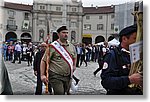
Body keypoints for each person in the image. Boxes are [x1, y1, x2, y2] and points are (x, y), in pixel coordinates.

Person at [101, 24, 143, 95]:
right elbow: (106, 82)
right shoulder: (112, 55)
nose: (138, 42)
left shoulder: (139, 54)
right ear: (124, 39)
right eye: (135, 38)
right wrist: (129, 80)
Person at [40, 25, 77, 95]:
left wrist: (74, 65)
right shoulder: (52, 46)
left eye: (67, 33)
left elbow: (74, 56)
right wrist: (42, 75)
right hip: (56, 75)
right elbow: (43, 61)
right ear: (58, 34)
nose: (66, 34)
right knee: (59, 93)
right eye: (63, 32)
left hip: (68, 76)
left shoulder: (71, 46)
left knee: (67, 93)